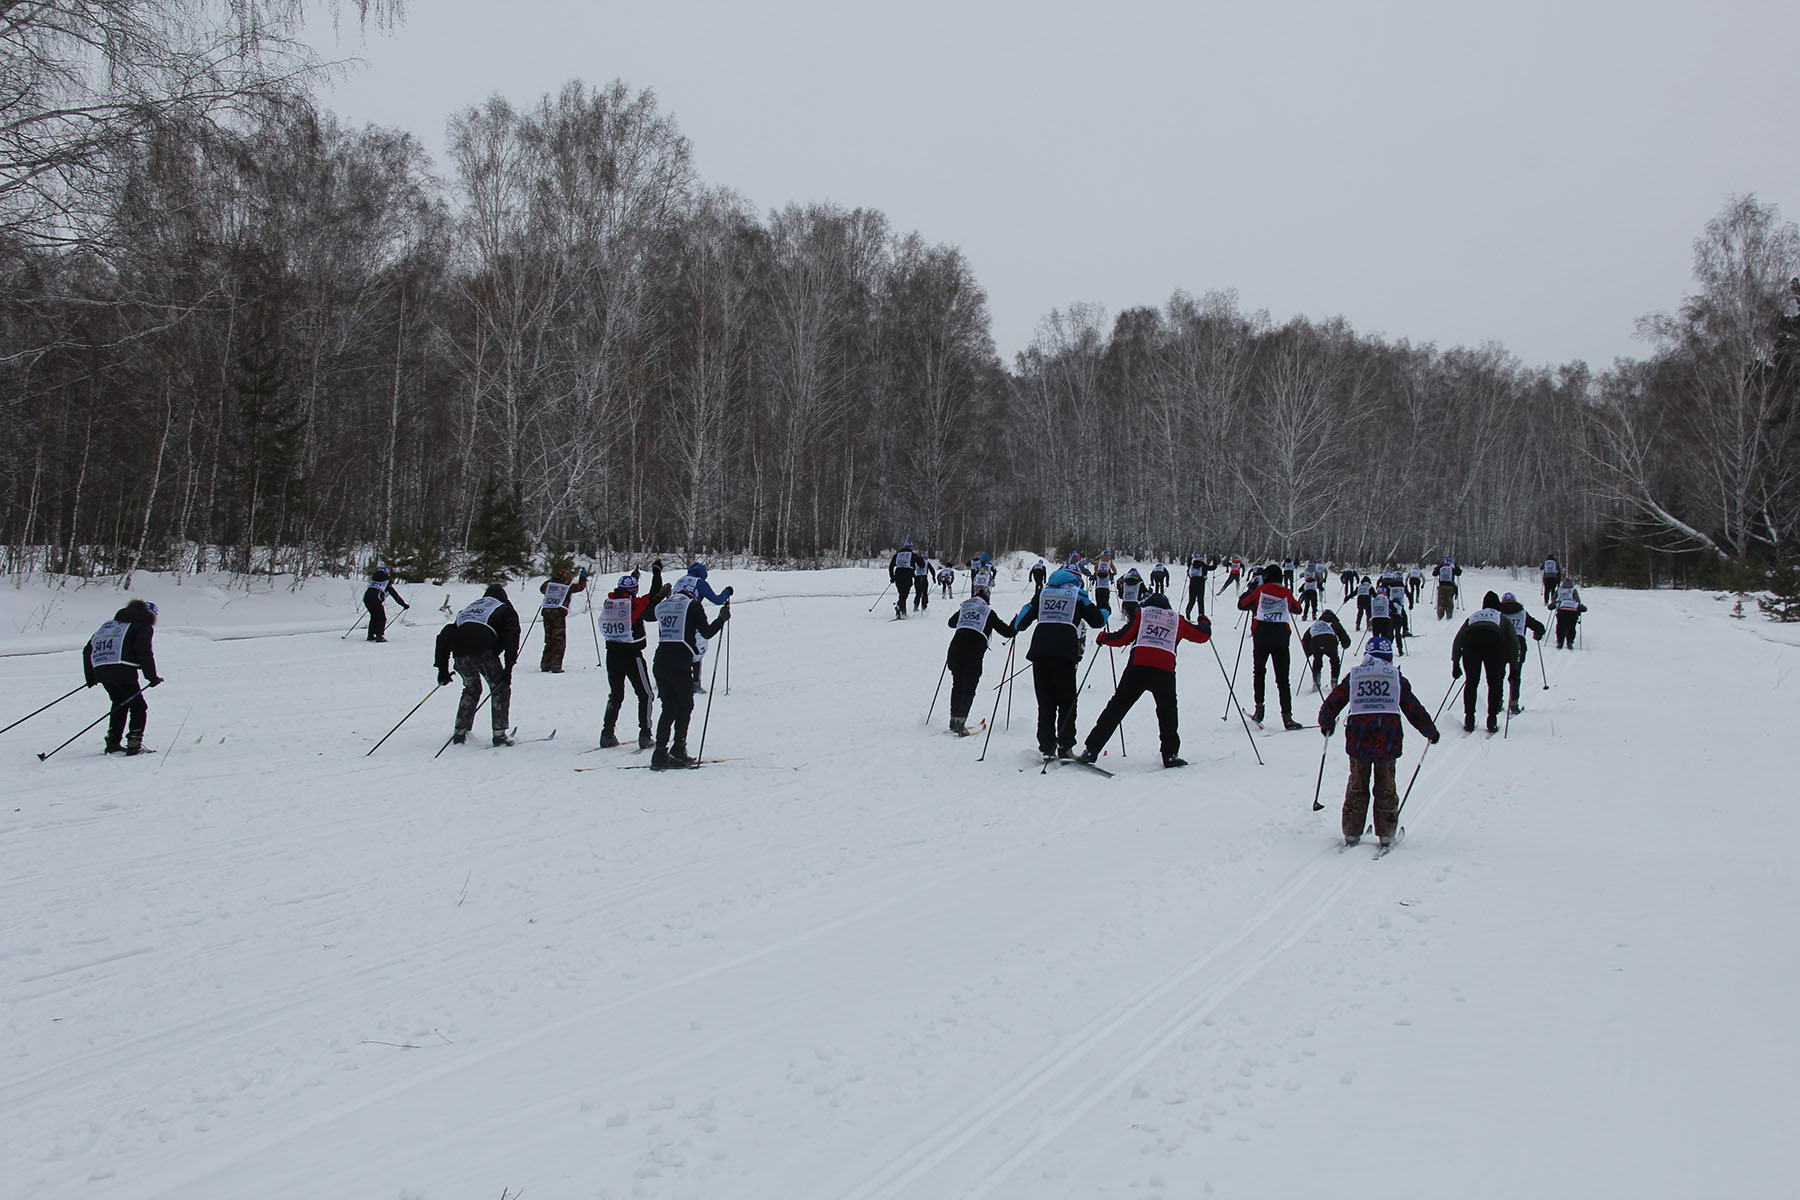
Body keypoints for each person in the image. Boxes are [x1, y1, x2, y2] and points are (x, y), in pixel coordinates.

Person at [1318, 636, 1440, 848]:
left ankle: (1351, 832)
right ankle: (1386, 833)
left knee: (1357, 785)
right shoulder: (1394, 677)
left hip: (1359, 740)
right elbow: (1412, 707)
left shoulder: (1355, 676)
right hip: (1387, 740)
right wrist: (1429, 730)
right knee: (1385, 787)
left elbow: (1334, 700)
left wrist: (1326, 721)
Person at [1077, 592, 1211, 768]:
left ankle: (1091, 750)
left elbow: (1123, 637)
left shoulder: (1142, 614)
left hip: (1138, 666)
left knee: (1117, 706)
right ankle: (1170, 754)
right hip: (1164, 669)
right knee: (1167, 711)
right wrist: (1204, 622)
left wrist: (1105, 638)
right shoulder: (1176, 619)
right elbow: (1201, 636)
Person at [1012, 566, 1108, 759]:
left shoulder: (1043, 593)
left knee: (1045, 702)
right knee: (1067, 702)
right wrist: (1105, 608)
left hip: (1040, 652)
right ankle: (1065, 746)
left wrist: (1017, 625)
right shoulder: (1077, 594)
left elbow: (1022, 620)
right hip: (1064, 652)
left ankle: (1046, 746)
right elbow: (1097, 620)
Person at [650, 575, 730, 770]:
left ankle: (660, 752)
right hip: (679, 662)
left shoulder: (665, 604)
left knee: (668, 708)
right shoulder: (692, 606)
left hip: (660, 661)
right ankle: (678, 748)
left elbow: (646, 615)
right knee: (685, 706)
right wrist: (721, 619)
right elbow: (707, 632)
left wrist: (658, 596)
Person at [435, 584, 522, 747]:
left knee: (471, 688)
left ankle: (460, 732)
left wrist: (442, 669)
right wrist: (509, 667)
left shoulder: (469, 609)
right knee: (499, 689)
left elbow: (445, 635)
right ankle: (499, 735)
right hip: (484, 653)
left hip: (459, 653)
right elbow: (512, 637)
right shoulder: (505, 609)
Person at [599, 559, 666, 748]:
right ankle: (645, 734)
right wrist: (656, 573)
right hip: (632, 655)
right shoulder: (634, 605)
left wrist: (634, 576)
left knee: (616, 695)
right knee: (646, 694)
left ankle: (607, 733)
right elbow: (651, 596)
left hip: (611, 654)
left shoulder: (610, 602)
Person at [82, 598, 162, 755]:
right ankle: (134, 742)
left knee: (119, 703)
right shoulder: (142, 625)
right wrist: (152, 676)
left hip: (101, 669)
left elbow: (87, 650)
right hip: (123, 670)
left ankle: (112, 742)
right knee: (138, 706)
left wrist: (91, 676)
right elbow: (143, 650)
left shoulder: (109, 625)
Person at [1237, 562, 1304, 729]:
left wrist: (1251, 589)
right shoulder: (1286, 592)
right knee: (1283, 679)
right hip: (1281, 638)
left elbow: (1242, 604)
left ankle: (1259, 709)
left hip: (1261, 637)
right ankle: (1287, 717)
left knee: (1259, 672)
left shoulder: (1260, 591)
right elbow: (1298, 609)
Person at [944, 582, 1016, 735]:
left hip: (955, 651)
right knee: (968, 689)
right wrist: (1015, 623)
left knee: (957, 686)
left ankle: (953, 720)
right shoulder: (988, 612)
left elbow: (951, 623)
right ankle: (961, 722)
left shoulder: (964, 607)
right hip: (973, 654)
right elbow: (1007, 632)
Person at [1450, 590, 1520, 733]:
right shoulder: (1501, 618)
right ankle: (1492, 720)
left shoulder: (1473, 617)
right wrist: (1514, 668)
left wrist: (1455, 663)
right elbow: (1513, 642)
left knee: (1471, 682)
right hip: (1493, 644)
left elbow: (1458, 640)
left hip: (1471, 644)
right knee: (1494, 683)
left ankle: (1469, 719)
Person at [676, 562, 733, 692]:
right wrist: (727, 592)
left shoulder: (680, 581)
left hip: (672, 615)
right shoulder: (699, 583)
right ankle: (695, 682)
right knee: (697, 647)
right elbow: (717, 600)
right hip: (691, 614)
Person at [1495, 591, 1546, 714]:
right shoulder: (1522, 613)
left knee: (1498, 674)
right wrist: (1538, 634)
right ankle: (1514, 703)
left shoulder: (1497, 613)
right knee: (1515, 674)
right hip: (1518, 644)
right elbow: (1538, 626)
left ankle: (1497, 702)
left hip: (1500, 644)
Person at [537, 565, 589, 672]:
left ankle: (545, 664)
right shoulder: (566, 588)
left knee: (549, 640)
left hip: (547, 613)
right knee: (559, 641)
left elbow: (542, 589)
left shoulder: (549, 586)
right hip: (558, 615)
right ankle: (556, 665)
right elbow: (580, 587)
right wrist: (583, 578)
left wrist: (550, 581)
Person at [1301, 608, 1352, 693]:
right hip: (1330, 642)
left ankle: (1316, 680)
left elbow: (1306, 639)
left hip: (1316, 642)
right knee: (1334, 660)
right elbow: (1343, 634)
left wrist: (1308, 652)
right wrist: (1345, 644)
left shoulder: (1316, 624)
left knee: (1317, 660)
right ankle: (1334, 680)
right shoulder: (1334, 623)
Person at [364, 566, 409, 642]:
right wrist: (403, 604)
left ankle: (370, 635)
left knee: (374, 617)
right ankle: (379, 636)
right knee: (382, 618)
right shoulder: (386, 582)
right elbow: (395, 595)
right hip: (376, 600)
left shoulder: (373, 580)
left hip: (366, 599)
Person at [1552, 578, 1587, 649]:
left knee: (1560, 626)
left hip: (1562, 610)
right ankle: (1570, 642)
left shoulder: (1559, 590)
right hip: (1572, 611)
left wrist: (1555, 604)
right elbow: (1578, 601)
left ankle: (1560, 642)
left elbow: (1553, 598)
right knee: (1571, 627)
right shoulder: (1573, 590)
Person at [888, 542, 918, 618]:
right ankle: (900, 606)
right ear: (911, 547)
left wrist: (892, 576)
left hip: (898, 575)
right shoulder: (912, 555)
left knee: (901, 593)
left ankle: (903, 611)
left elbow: (891, 566)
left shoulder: (897, 555)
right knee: (905, 593)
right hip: (907, 575)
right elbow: (921, 563)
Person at [1184, 554, 1217, 619]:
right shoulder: (1203, 566)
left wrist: (1189, 559)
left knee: (1192, 599)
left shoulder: (1191, 566)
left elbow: (1188, 572)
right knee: (1200, 600)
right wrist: (1214, 560)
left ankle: (1188, 611)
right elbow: (1213, 567)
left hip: (1192, 582)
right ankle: (1201, 615)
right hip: (1201, 583)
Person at [1092, 553, 1118, 619]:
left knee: (1098, 600)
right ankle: (1105, 614)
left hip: (1098, 587)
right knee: (1105, 601)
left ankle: (1098, 614)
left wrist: (1097, 572)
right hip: (1106, 587)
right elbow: (1114, 570)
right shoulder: (1109, 561)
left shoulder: (1099, 561)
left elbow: (1095, 568)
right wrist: (1113, 573)